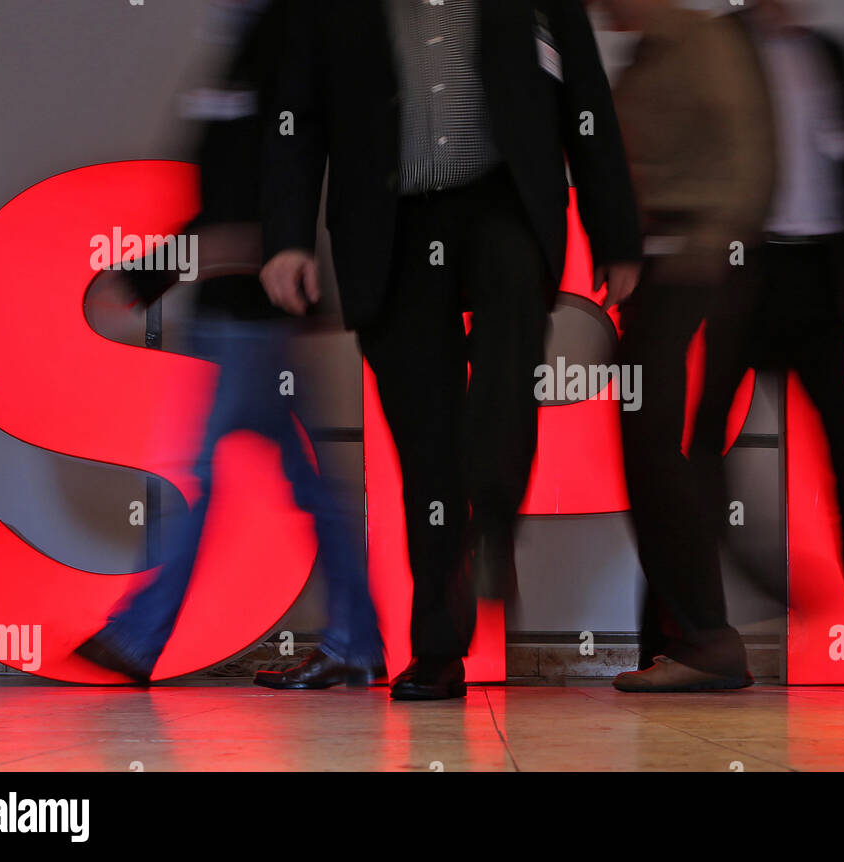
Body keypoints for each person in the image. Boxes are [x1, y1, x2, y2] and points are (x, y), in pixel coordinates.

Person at [259, 0, 642, 700]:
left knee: (507, 364)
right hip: (390, 224)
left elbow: (584, 99)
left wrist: (616, 235)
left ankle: (492, 517)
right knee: (424, 442)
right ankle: (438, 647)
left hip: (504, 205)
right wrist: (285, 236)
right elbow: (296, 114)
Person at [75, 0, 384, 688]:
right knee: (310, 490)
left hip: (248, 316)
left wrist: (141, 278)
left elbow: (253, 203)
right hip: (251, 314)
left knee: (204, 476)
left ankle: (139, 636)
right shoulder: (256, 41)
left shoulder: (278, 40)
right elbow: (239, 199)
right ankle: (356, 641)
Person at [690, 0, 844, 688]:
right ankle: (678, 639)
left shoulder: (834, 58)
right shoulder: (717, 49)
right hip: (741, 271)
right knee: (697, 459)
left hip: (815, 280)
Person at [592, 0, 776, 692]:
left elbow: (746, 157)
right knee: (657, 457)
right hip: (665, 277)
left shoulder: (698, 44)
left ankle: (705, 639)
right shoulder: (653, 52)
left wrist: (702, 259)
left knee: (664, 458)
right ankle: (683, 637)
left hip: (689, 278)